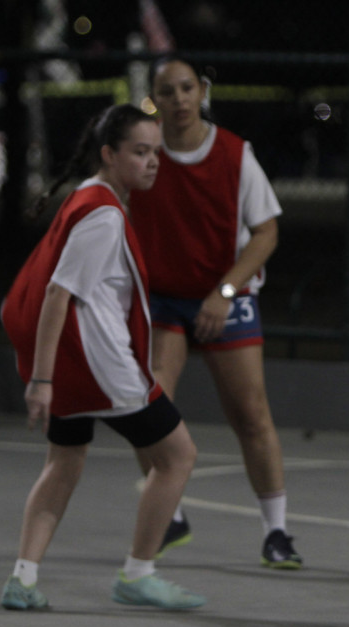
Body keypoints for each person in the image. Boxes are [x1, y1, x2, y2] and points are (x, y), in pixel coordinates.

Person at [0, 104, 206, 611]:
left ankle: (22, 578)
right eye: (140, 152)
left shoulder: (88, 198)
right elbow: (56, 295)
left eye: (156, 152)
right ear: (109, 154)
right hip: (100, 365)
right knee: (177, 456)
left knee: (65, 461)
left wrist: (50, 377)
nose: (152, 161)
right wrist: (42, 381)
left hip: (75, 364)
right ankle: (138, 573)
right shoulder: (104, 215)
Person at [128, 56, 301, 569]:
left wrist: (223, 292)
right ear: (154, 97)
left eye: (187, 88)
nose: (179, 99)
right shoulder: (145, 152)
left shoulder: (234, 154)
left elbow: (267, 232)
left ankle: (277, 533)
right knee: (146, 403)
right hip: (162, 297)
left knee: (250, 414)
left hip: (226, 294)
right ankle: (170, 513)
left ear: (202, 91)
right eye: (168, 90)